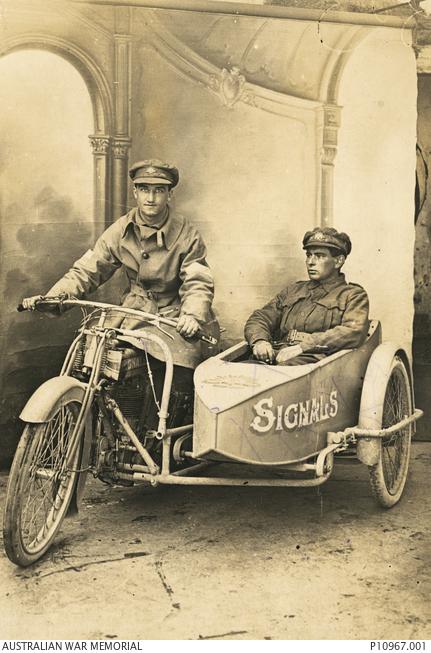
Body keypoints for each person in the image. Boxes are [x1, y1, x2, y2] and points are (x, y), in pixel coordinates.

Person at [22, 159, 218, 368]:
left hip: (173, 315)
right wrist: (55, 297)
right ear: (135, 192)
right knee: (93, 350)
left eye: (159, 190)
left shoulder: (187, 234)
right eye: (144, 189)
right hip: (134, 310)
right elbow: (88, 269)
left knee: (172, 367)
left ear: (170, 194)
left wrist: (192, 316)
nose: (150, 198)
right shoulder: (121, 228)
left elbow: (198, 282)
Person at [244, 227, 369, 366]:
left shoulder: (353, 295)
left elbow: (352, 331)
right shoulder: (293, 290)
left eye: (320, 256)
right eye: (309, 255)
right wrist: (260, 341)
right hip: (277, 353)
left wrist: (303, 347)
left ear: (338, 261)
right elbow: (261, 317)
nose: (311, 262)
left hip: (316, 361)